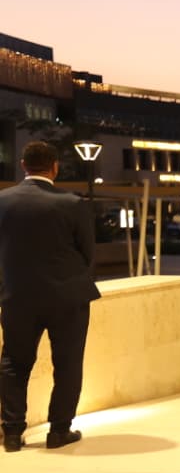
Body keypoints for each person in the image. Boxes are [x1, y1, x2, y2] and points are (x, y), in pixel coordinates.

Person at [0, 141, 100, 452]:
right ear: (55, 167)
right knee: (68, 364)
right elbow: (88, 252)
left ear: (23, 165)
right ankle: (59, 431)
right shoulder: (72, 203)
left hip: (17, 296)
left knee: (14, 363)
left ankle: (12, 433)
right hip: (67, 297)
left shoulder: (3, 201)